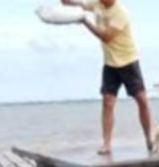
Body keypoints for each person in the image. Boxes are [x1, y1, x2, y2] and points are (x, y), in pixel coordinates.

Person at [61, 0, 153, 154]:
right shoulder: (97, 4)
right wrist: (67, 2)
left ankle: (149, 138)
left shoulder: (121, 13)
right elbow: (78, 5)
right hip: (110, 64)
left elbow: (106, 36)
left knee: (142, 101)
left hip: (128, 61)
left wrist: (84, 21)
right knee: (107, 103)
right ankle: (107, 144)